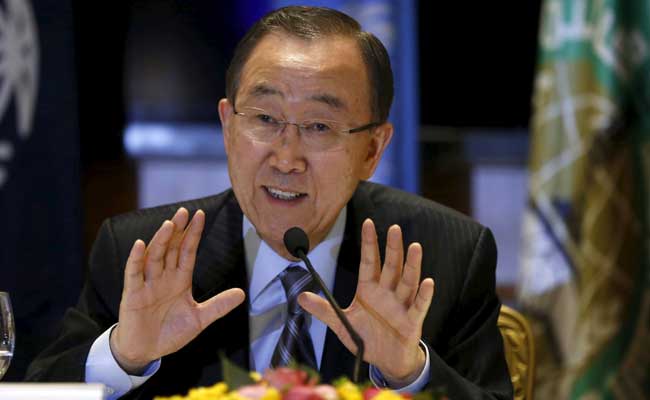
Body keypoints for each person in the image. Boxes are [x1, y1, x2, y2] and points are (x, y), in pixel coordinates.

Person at [26, 6, 512, 400]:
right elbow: (39, 392)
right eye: (264, 118)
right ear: (227, 126)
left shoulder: (444, 256)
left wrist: (409, 373)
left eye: (319, 126)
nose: (286, 158)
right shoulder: (144, 254)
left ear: (372, 149)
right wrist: (124, 356)